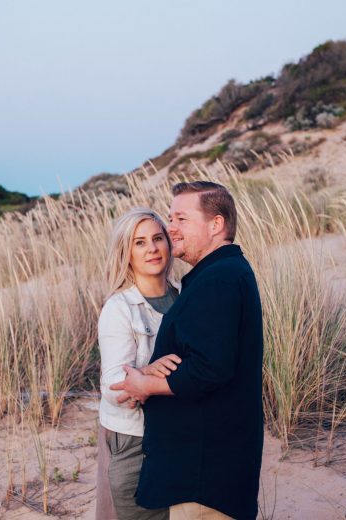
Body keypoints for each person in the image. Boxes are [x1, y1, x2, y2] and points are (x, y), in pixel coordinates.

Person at [111, 181, 264, 520]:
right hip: (206, 469)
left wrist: (145, 384)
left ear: (216, 225)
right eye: (170, 218)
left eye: (181, 218)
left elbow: (210, 368)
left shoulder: (218, 279)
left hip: (205, 478)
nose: (170, 228)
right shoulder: (217, 275)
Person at [96, 207, 181, 520]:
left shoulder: (187, 295)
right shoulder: (119, 308)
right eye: (140, 242)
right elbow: (113, 388)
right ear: (126, 252)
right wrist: (147, 373)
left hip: (182, 431)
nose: (153, 248)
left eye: (158, 238)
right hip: (136, 438)